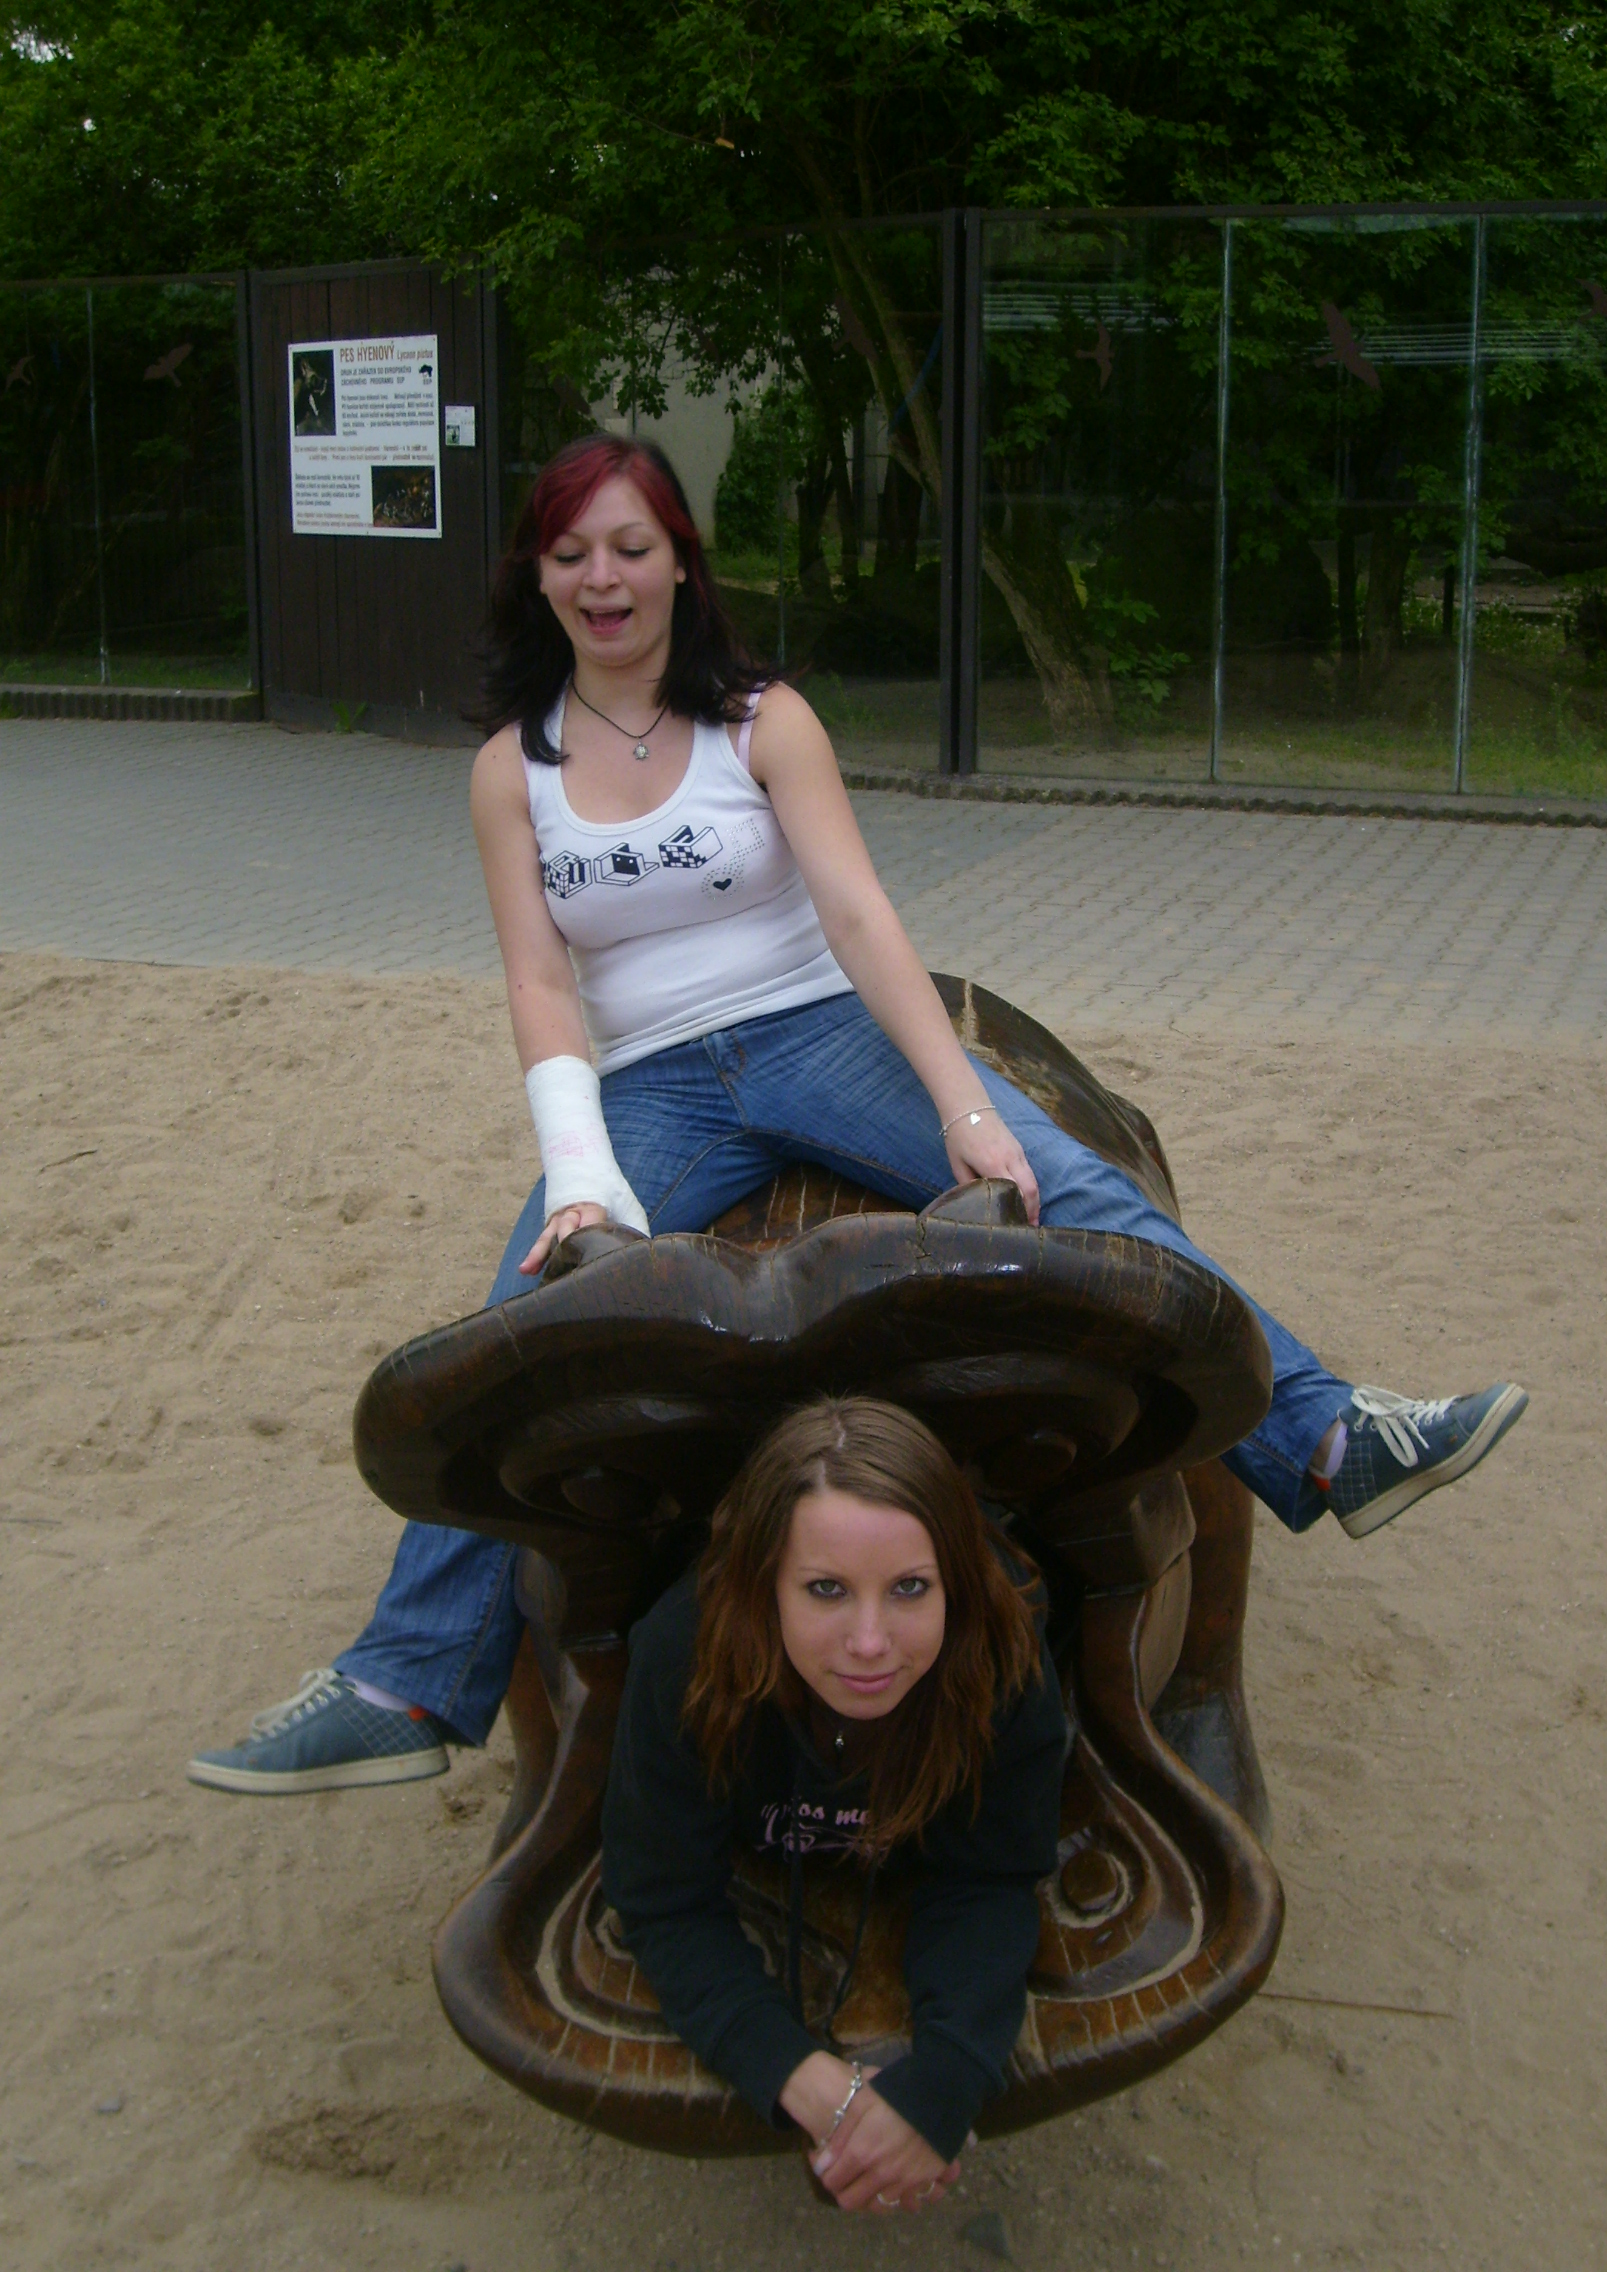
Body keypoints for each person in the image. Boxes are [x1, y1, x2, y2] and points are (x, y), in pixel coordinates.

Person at [187, 432, 1526, 1795]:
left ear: (680, 564)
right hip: (655, 1080)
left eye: (631, 548)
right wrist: (580, 1171)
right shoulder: (508, 770)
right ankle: (409, 1678)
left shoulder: (762, 718)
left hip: (815, 1030)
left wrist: (964, 1105)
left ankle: (1330, 1436)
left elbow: (857, 913)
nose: (603, 578)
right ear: (536, 574)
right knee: (520, 1335)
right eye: (572, 552)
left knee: (1074, 1192)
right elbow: (540, 983)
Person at [599, 1396, 1067, 2214]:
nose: (870, 1643)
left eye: (911, 1587)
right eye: (825, 1589)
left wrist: (948, 2078)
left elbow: (991, 1875)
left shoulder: (1000, 1654)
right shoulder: (684, 1658)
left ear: (955, 1583)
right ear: (765, 1586)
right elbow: (662, 1897)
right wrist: (801, 2077)